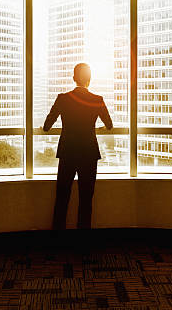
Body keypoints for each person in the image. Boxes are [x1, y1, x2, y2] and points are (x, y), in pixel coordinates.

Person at [43, 63, 113, 230]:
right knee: (86, 198)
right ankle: (83, 239)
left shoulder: (63, 98)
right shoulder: (98, 100)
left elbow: (47, 125)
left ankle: (58, 234)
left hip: (68, 151)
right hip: (89, 152)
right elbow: (109, 125)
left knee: (62, 196)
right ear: (89, 79)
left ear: (74, 78)